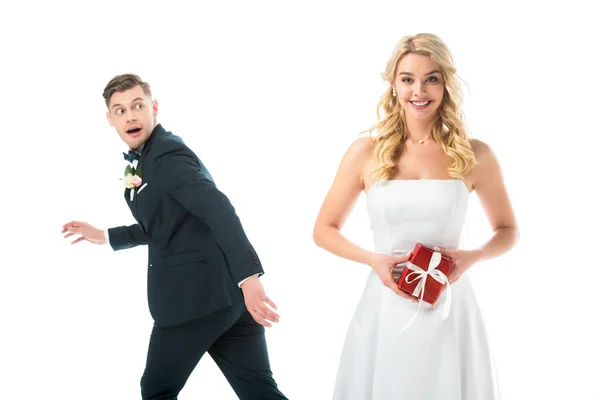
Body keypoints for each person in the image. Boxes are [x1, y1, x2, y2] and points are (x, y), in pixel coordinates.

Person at [313, 33, 518, 399]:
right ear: (393, 84)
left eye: (431, 78)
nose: (418, 91)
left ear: (446, 84)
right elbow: (324, 229)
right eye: (407, 79)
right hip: (385, 303)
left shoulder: (476, 155)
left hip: (451, 305)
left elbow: (507, 230)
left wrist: (473, 256)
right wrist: (373, 260)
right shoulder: (366, 152)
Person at [62, 73, 287, 400]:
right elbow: (167, 223)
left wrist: (249, 276)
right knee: (260, 392)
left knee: (156, 390)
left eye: (138, 105)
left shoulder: (165, 157)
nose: (131, 115)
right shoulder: (150, 158)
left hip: (193, 302)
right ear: (110, 119)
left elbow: (218, 209)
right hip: (229, 301)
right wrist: (105, 236)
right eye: (121, 110)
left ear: (154, 107)